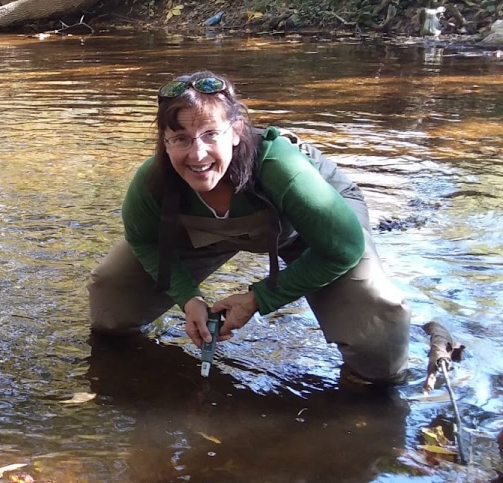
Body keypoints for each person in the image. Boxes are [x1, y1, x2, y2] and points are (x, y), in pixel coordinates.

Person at [87, 70, 411, 384]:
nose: (197, 154)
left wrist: (257, 298)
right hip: (205, 232)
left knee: (377, 328)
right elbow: (144, 241)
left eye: (210, 134)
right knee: (111, 296)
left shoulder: (282, 168)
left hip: (307, 228)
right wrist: (189, 299)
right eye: (181, 139)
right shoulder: (152, 182)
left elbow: (345, 247)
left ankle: (373, 397)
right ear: (165, 141)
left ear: (237, 130)